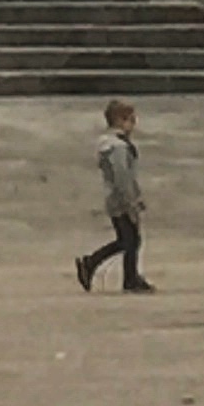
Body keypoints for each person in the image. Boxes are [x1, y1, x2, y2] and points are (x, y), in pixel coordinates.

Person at [74, 97, 152, 293]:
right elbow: (123, 177)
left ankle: (127, 275)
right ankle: (101, 266)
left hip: (116, 199)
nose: (133, 125)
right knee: (129, 240)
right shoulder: (118, 147)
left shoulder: (113, 145)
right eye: (131, 120)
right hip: (120, 201)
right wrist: (131, 201)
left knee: (129, 239)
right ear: (120, 121)